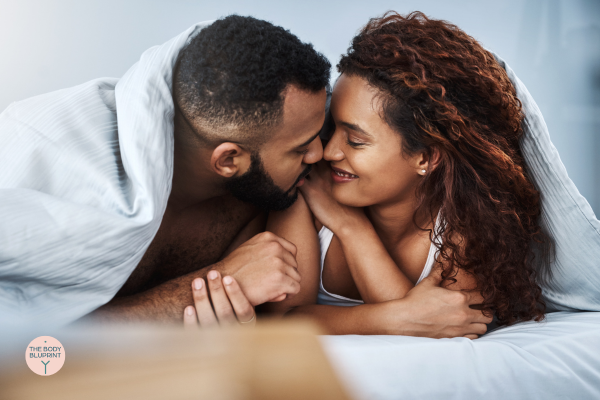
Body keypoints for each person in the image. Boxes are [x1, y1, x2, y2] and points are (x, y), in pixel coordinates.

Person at [1, 15, 489, 336]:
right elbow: (36, 355)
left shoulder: (271, 192)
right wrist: (219, 281)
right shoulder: (64, 177)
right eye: (304, 145)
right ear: (229, 159)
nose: (321, 154)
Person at [257, 11, 547, 337]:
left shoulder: (463, 227)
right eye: (331, 128)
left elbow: (443, 328)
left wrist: (353, 229)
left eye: (354, 140)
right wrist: (391, 318)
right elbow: (280, 322)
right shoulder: (306, 191)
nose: (329, 152)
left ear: (425, 157)